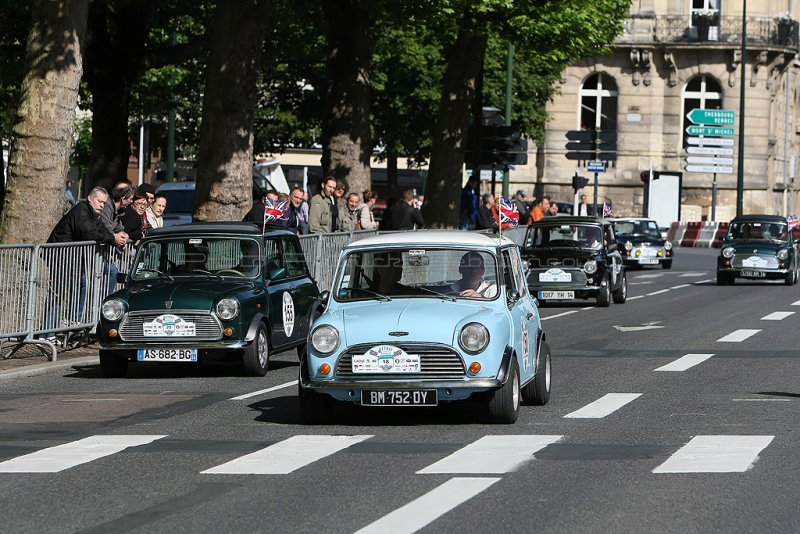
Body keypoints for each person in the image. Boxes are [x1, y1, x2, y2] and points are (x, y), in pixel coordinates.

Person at [45, 187, 115, 342]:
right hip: (60, 256)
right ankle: (48, 332)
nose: (102, 205)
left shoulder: (94, 214)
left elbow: (101, 230)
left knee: (82, 283)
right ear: (90, 198)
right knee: (58, 291)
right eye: (99, 201)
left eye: (104, 202)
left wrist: (114, 238)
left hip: (72, 257)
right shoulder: (82, 210)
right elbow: (88, 233)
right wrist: (112, 239)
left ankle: (74, 321)